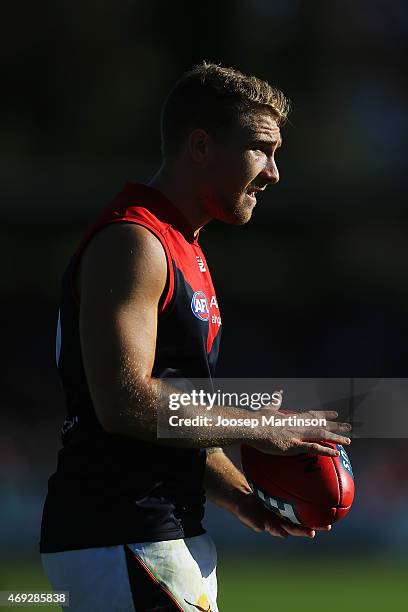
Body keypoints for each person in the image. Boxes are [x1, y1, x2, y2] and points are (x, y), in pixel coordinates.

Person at [40, 62, 352, 611]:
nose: (274, 173)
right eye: (261, 148)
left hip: (159, 533)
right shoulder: (134, 241)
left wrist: (239, 496)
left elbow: (167, 411)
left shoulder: (186, 246)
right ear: (201, 146)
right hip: (121, 534)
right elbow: (127, 404)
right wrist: (260, 428)